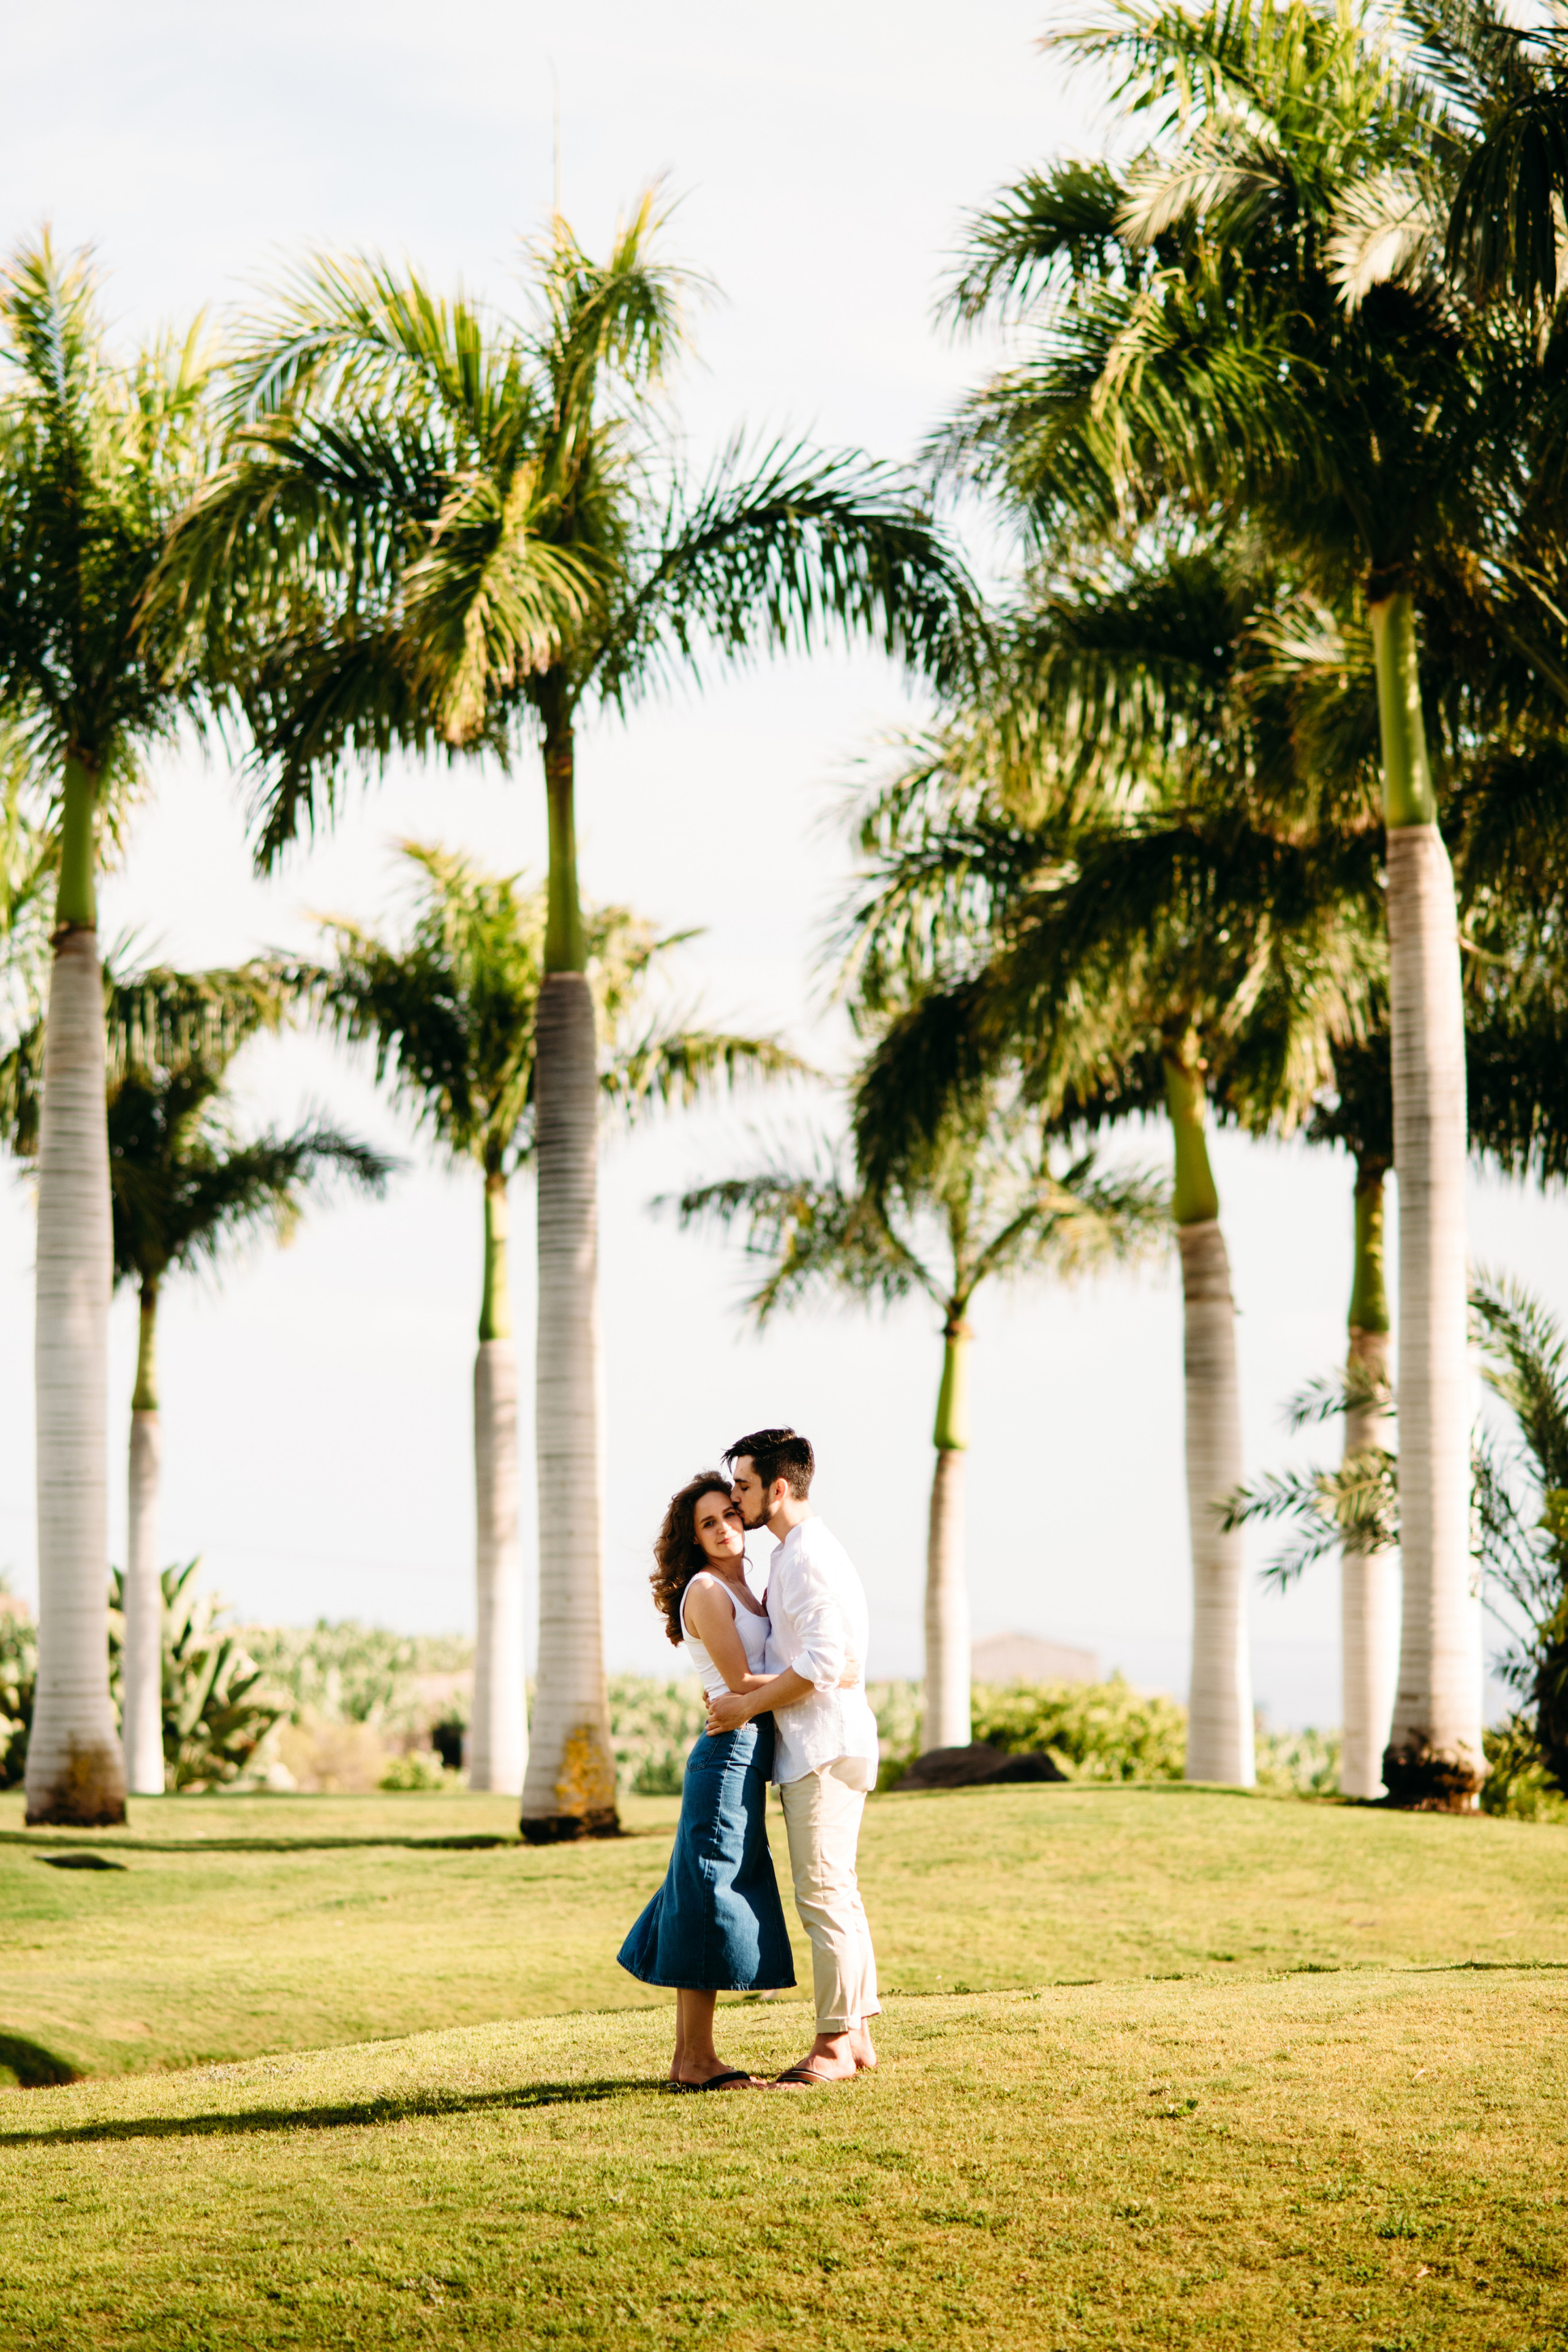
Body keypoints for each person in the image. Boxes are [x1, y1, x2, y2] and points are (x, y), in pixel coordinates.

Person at [704, 1427, 881, 2089]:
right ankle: (856, 2034)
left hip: (822, 1748)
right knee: (841, 1891)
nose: (735, 1498)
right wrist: (756, 1686)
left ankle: (833, 2044)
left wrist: (745, 1705)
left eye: (744, 1487)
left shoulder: (803, 1557)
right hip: (833, 1739)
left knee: (824, 1894)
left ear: (779, 1490)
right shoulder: (799, 1552)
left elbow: (825, 1664)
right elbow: (826, 1660)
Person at [617, 1472, 796, 2089]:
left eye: (729, 1515)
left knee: (699, 1892)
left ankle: (688, 2059)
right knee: (708, 1895)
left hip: (744, 1752)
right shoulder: (706, 1590)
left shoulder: (749, 1586)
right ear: (693, 1539)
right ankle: (696, 2061)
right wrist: (821, 1670)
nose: (725, 1529)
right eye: (708, 1523)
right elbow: (742, 1682)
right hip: (726, 1754)